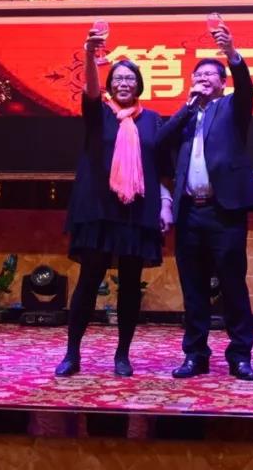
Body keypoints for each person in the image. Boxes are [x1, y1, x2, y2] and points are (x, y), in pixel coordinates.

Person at [56, 27, 172, 378]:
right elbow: (91, 90)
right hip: (99, 210)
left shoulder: (153, 120)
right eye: (118, 78)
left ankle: (123, 354)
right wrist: (90, 56)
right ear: (110, 84)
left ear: (139, 85)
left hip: (136, 211)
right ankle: (72, 353)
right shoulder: (99, 113)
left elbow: (159, 168)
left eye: (130, 78)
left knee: (130, 285)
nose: (124, 83)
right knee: (89, 280)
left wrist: (165, 202)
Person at [157, 19, 253, 381]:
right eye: (197, 75)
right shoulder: (186, 115)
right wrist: (188, 107)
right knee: (194, 289)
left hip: (224, 212)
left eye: (208, 75)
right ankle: (195, 355)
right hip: (190, 213)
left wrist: (231, 52)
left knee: (232, 285)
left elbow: (246, 86)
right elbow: (159, 142)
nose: (202, 78)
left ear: (222, 82)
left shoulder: (233, 107)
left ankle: (240, 356)